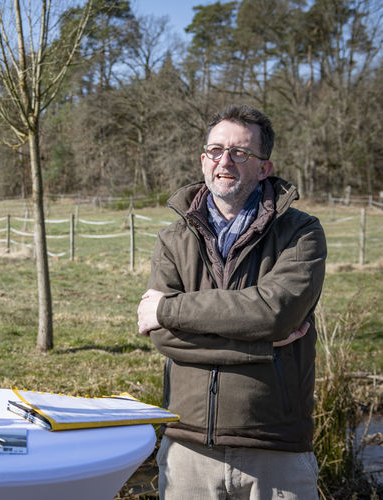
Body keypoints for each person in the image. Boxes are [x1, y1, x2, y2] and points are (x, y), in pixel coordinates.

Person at [136, 105, 326, 499]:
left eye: (240, 152)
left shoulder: (301, 232)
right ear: (203, 160)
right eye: (216, 150)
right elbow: (162, 338)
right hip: (187, 449)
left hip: (275, 450)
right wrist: (259, 344)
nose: (226, 161)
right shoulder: (173, 238)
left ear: (264, 167)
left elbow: (275, 313)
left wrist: (168, 308)